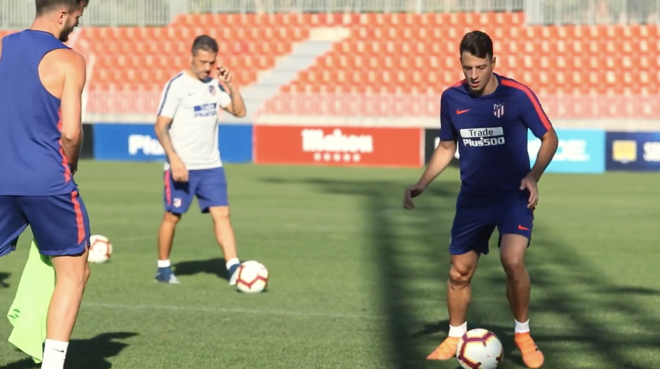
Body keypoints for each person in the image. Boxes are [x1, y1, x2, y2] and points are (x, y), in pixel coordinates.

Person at [403, 31, 558, 369]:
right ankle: (455, 335)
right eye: (467, 67)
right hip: (473, 199)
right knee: (459, 271)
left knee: (512, 260)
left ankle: (523, 335)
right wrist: (422, 183)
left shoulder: (517, 95)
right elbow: (447, 146)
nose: (473, 75)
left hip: (513, 195)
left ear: (493, 63)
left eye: (480, 67)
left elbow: (549, 137)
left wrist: (533, 176)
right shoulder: (451, 98)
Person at [0, 1, 91, 368]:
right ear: (62, 15)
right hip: (47, 181)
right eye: (77, 18)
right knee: (74, 269)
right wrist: (71, 166)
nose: (76, 26)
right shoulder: (69, 60)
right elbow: (71, 133)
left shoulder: (4, 45)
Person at [154, 35, 247, 285]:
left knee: (222, 214)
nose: (207, 67)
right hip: (181, 166)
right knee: (172, 216)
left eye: (212, 63)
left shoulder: (215, 85)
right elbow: (160, 126)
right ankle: (163, 268)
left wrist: (231, 86)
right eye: (203, 61)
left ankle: (233, 268)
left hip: (211, 166)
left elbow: (240, 111)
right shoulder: (177, 85)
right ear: (192, 57)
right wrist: (174, 159)